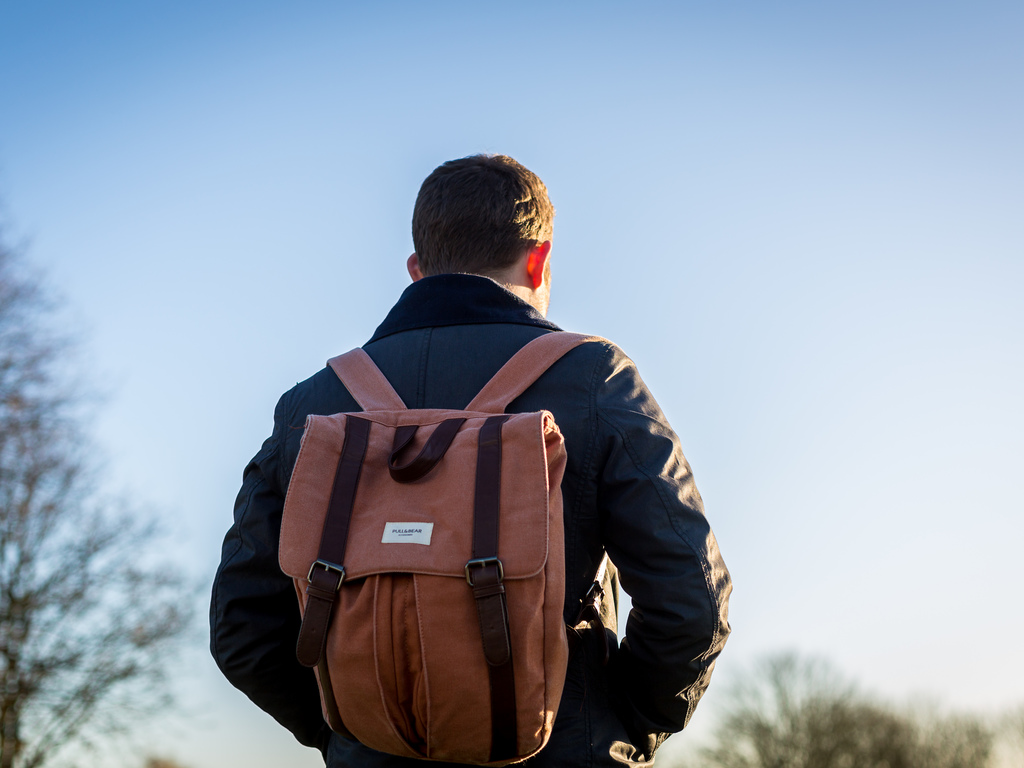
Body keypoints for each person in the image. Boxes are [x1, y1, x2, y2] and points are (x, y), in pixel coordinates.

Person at [210, 154, 731, 767]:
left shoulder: (312, 405)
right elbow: (692, 600)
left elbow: (242, 626)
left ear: (415, 270)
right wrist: (622, 729)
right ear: (538, 258)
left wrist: (348, 735)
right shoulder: (595, 378)